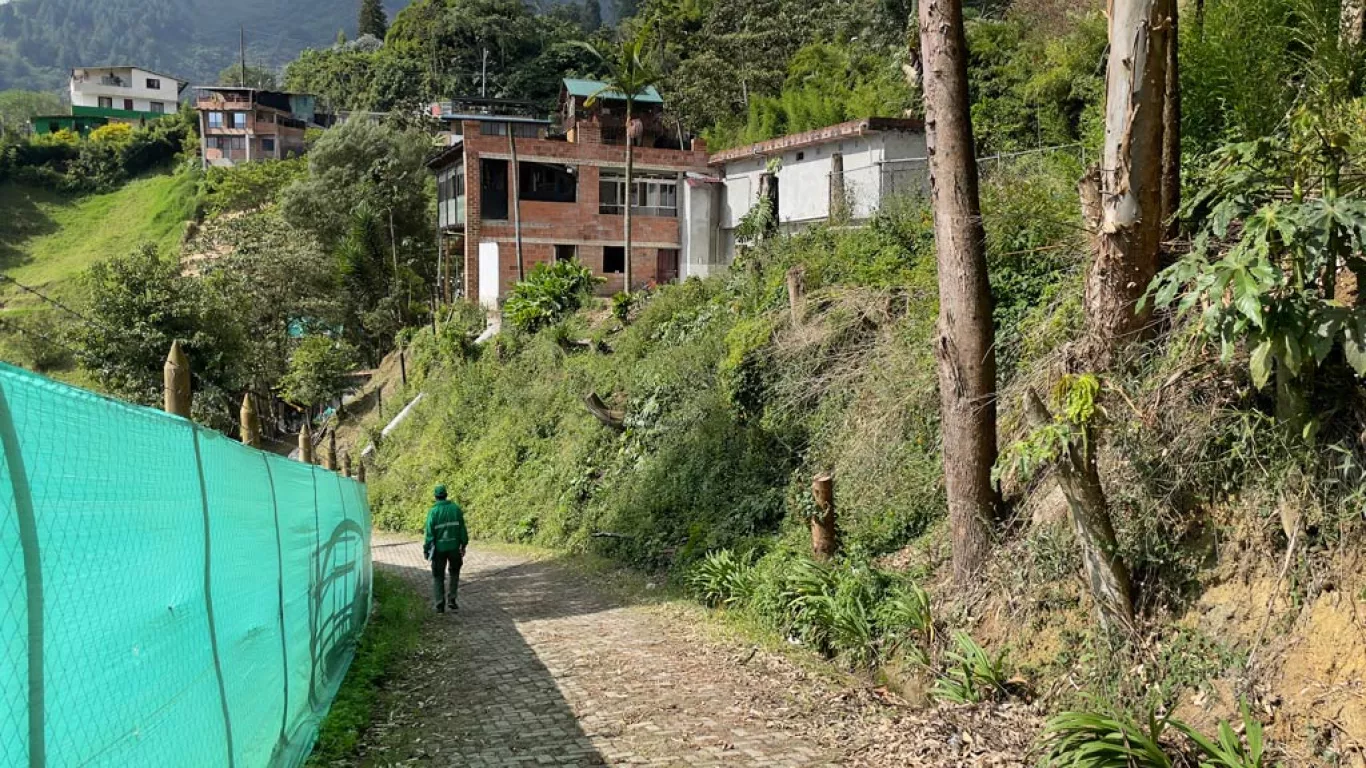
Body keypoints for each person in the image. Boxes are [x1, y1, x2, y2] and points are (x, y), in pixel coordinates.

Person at [422, 484, 468, 613]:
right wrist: (463, 544)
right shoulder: (456, 509)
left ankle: (439, 604)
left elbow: (429, 534)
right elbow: (462, 529)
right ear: (446, 495)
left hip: (439, 550)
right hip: (454, 548)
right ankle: (452, 598)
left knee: (438, 576)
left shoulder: (433, 512)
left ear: (435, 497)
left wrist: (426, 549)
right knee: (454, 572)